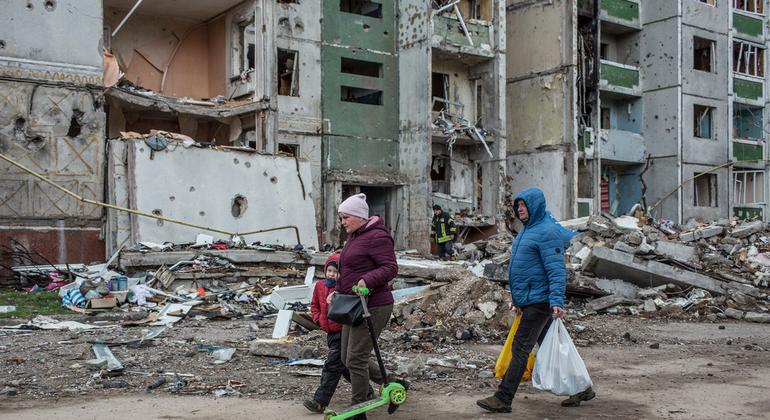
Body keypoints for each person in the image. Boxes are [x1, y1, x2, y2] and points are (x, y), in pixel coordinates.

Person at [476, 187, 595, 413]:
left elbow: (556, 270)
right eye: (518, 206)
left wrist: (557, 301)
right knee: (556, 345)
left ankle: (503, 397)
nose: (520, 209)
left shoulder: (546, 231)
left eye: (523, 205)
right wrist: (517, 300)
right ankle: (582, 387)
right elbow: (522, 270)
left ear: (535, 206)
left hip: (539, 301)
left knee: (520, 347)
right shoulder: (526, 231)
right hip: (530, 299)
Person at [303, 252, 350, 413]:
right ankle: (366, 392)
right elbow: (314, 305)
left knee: (332, 366)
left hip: (342, 331)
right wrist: (317, 319)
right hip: (329, 332)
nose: (332, 274)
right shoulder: (320, 286)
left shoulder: (342, 288)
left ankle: (320, 402)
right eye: (329, 270)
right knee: (346, 367)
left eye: (335, 272)